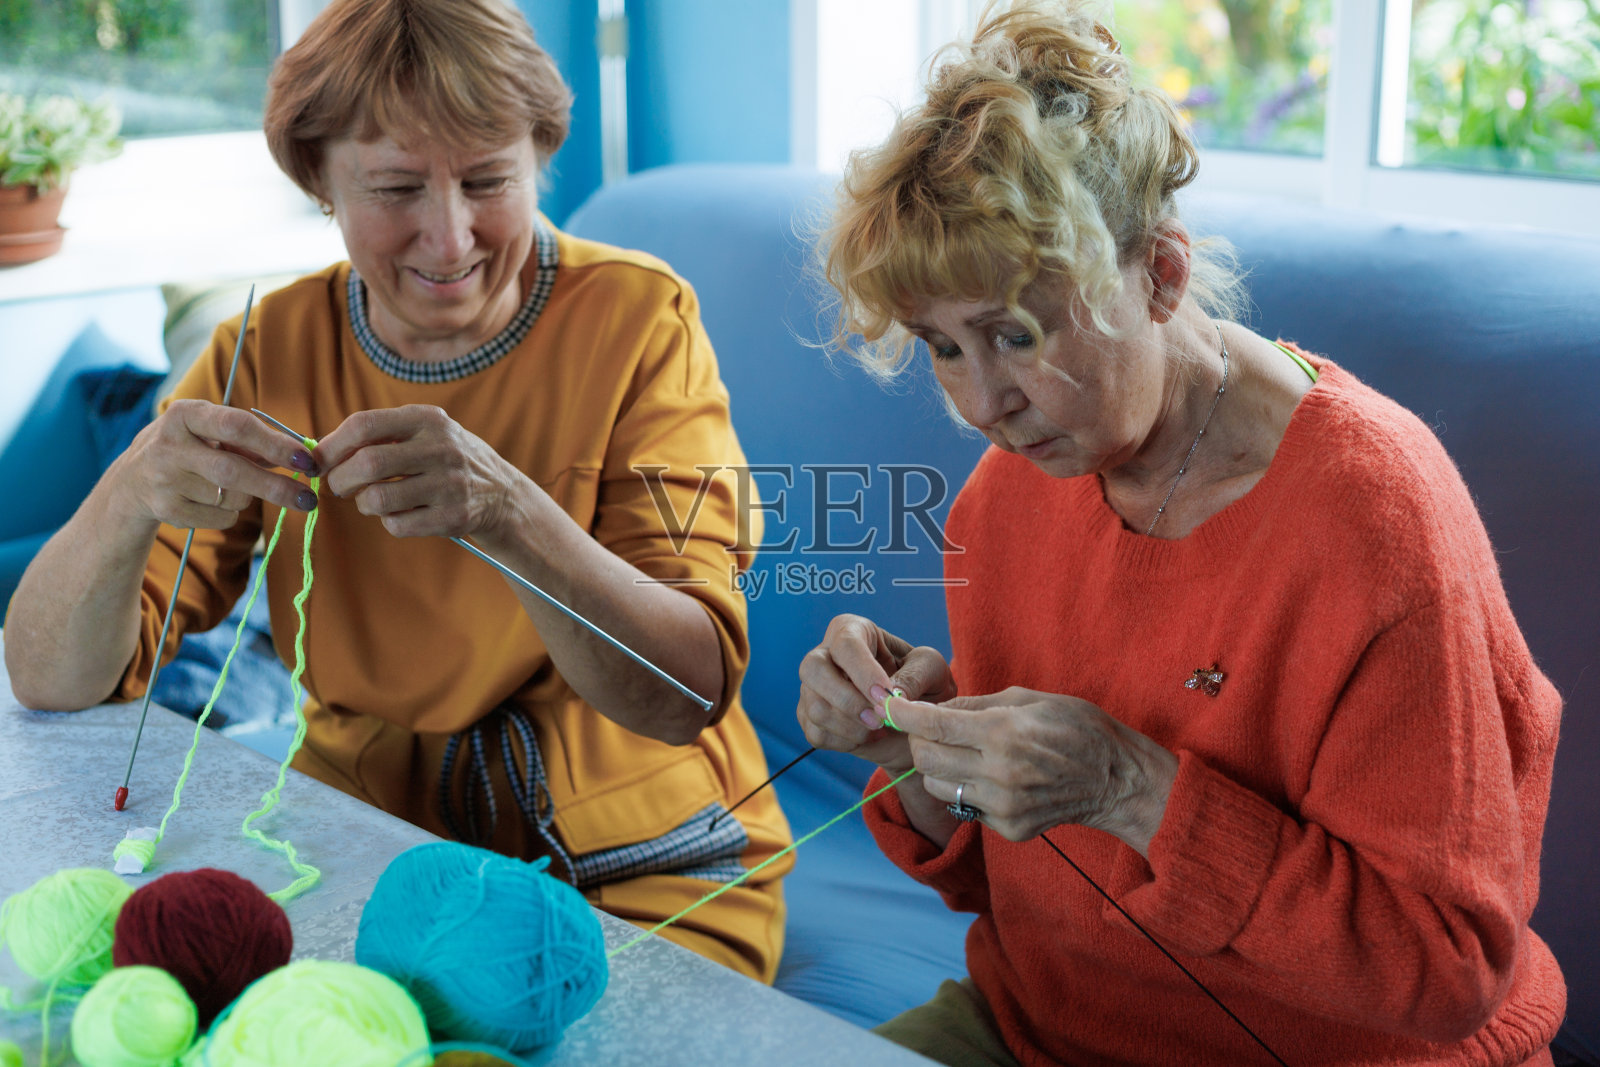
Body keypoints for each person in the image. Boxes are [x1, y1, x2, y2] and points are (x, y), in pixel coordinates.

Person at [797, 2, 1566, 1063]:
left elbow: (1445, 966)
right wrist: (911, 749)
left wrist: (1134, 788)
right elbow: (1009, 882)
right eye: (940, 347)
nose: (982, 402)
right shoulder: (1008, 493)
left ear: (1159, 273)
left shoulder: (1374, 521)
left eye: (1014, 334)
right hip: (1035, 1030)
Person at [3, 0, 790, 981]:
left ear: (540, 158)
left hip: (633, 859)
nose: (450, 238)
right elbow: (48, 676)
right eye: (396, 187)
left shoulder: (638, 318)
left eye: (489, 180)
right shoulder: (268, 345)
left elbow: (685, 691)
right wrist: (130, 488)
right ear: (319, 184)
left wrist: (508, 513)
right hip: (366, 840)